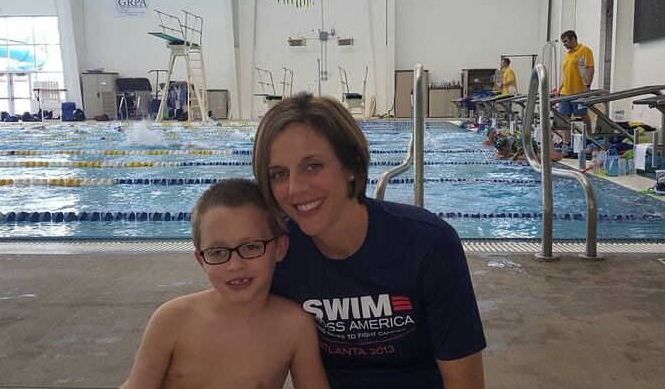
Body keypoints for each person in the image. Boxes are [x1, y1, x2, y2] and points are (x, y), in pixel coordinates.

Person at [252, 93, 486, 389]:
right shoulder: (278, 255)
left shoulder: (428, 244)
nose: (295, 189)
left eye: (313, 166)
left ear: (350, 165)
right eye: (279, 174)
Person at [121, 178, 329, 389]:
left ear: (279, 249)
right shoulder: (172, 320)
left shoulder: (294, 326)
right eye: (217, 252)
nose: (235, 265)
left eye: (250, 247)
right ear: (201, 260)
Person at [557, 30, 595, 144]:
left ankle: (589, 137)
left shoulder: (584, 50)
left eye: (566, 41)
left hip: (579, 91)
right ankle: (566, 141)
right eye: (563, 42)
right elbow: (567, 74)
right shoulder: (568, 55)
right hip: (566, 91)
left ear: (573, 39)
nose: (564, 44)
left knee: (582, 114)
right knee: (564, 117)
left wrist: (588, 85)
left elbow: (590, 68)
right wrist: (559, 88)